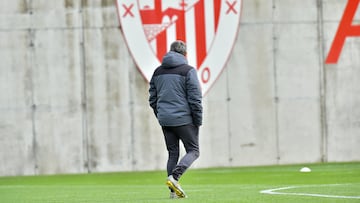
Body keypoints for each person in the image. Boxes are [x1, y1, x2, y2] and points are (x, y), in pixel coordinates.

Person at [148, 40, 203, 198]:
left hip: (165, 119)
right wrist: (197, 120)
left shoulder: (158, 72)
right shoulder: (188, 71)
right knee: (193, 150)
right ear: (185, 54)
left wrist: (161, 114)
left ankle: (172, 193)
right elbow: (195, 99)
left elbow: (152, 98)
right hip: (184, 119)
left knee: (173, 153)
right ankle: (175, 177)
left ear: (170, 52)